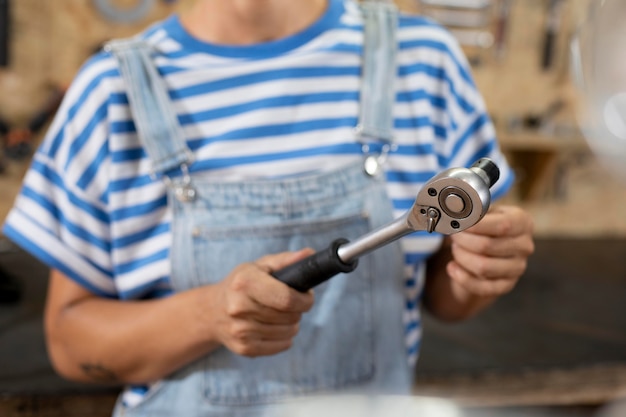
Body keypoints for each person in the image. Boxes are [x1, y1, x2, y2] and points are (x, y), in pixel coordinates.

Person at [1, 0, 534, 415]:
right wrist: (210, 314)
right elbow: (70, 341)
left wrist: (476, 273)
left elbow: (445, 297)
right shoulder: (108, 91)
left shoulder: (424, 63)